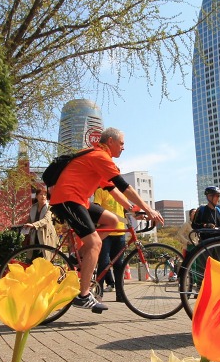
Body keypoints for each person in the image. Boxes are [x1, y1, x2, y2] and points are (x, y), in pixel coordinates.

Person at [49, 127, 164, 313]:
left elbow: (113, 190)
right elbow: (124, 186)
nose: (123, 148)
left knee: (112, 222)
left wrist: (132, 209)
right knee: (95, 243)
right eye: (122, 143)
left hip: (80, 200)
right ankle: (83, 295)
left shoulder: (98, 158)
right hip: (67, 199)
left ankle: (76, 256)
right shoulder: (100, 156)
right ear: (110, 141)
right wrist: (148, 209)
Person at [93, 186, 126, 301]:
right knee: (104, 264)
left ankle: (120, 294)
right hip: (105, 233)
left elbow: (126, 210)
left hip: (120, 233)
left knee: (119, 265)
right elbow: (96, 208)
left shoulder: (121, 192)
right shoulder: (101, 190)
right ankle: (98, 294)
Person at [22, 186, 57, 258]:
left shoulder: (50, 208)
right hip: (34, 236)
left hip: (46, 235)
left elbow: (46, 220)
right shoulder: (33, 207)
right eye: (41, 194)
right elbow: (29, 220)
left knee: (46, 258)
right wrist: (24, 226)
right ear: (37, 196)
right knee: (33, 258)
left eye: (45, 195)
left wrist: (33, 225)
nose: (43, 196)